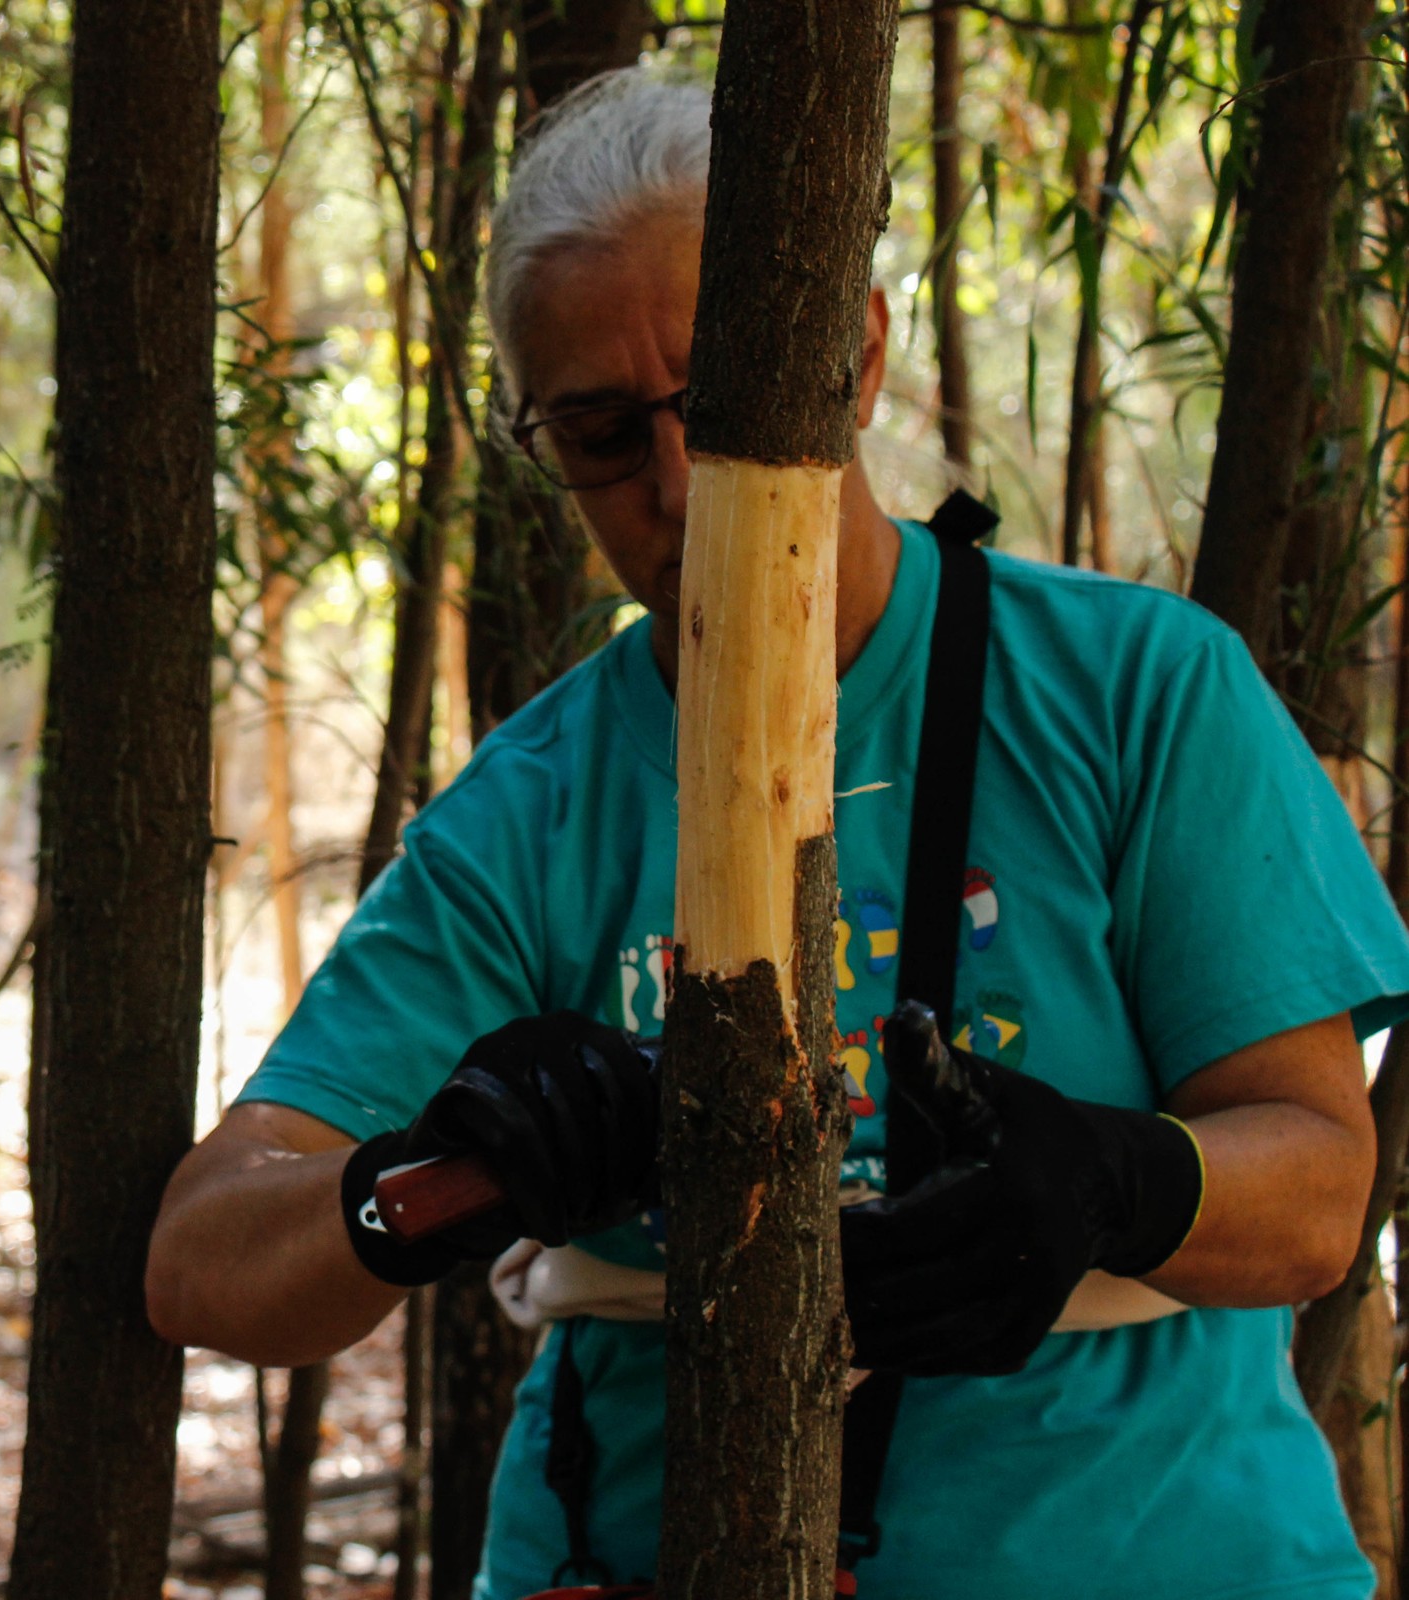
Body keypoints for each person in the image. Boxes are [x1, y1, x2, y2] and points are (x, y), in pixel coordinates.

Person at [145, 68, 1409, 1600]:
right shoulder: (534, 806)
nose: (677, 486)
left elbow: (1316, 1195)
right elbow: (205, 1255)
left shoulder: (1140, 693)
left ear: (856, 353)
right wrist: (432, 1175)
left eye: (724, 403)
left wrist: (1112, 1182)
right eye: (604, 436)